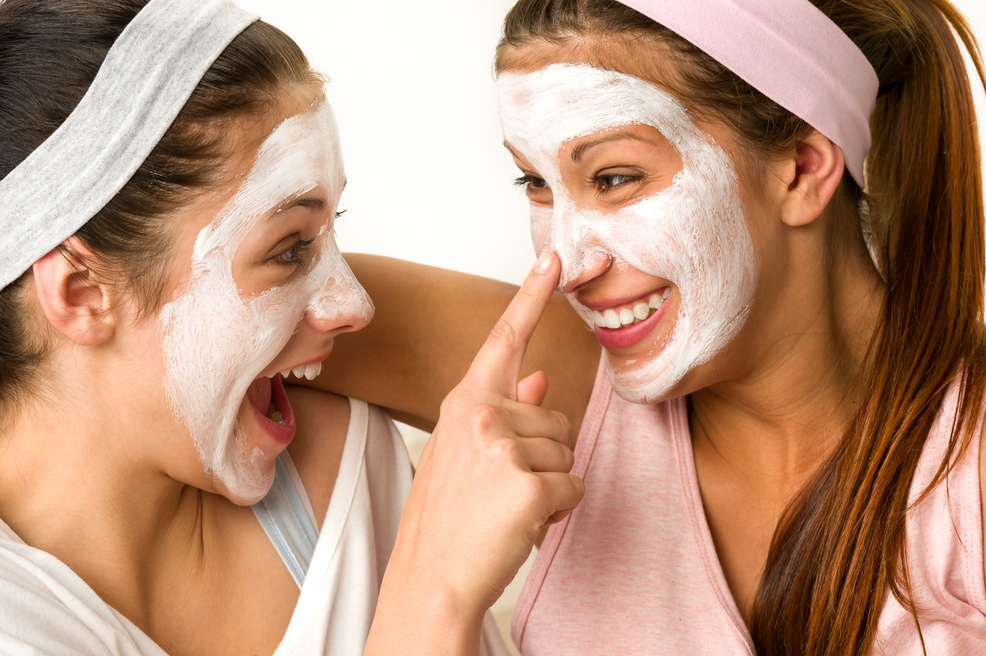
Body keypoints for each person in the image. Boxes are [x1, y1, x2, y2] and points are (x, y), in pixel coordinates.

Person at [317, 0, 986, 654]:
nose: (568, 262)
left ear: (803, 170)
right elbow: (237, 306)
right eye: (535, 183)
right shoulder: (559, 383)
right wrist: (431, 587)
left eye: (613, 178)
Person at [0, 0, 585, 654]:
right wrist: (432, 590)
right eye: (288, 249)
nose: (357, 306)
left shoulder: (334, 463)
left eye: (330, 230)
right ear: (82, 294)